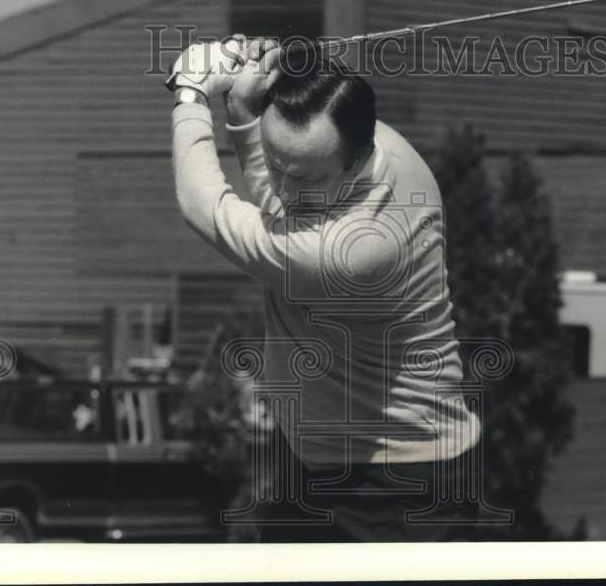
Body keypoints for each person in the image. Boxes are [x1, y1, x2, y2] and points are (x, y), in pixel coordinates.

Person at [167, 36, 481, 542]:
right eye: (276, 162)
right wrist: (247, 112)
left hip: (399, 484)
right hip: (315, 457)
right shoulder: (369, 142)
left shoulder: (357, 250)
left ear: (358, 160)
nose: (286, 190)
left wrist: (190, 93)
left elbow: (203, 205)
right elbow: (289, 190)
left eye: (305, 177)